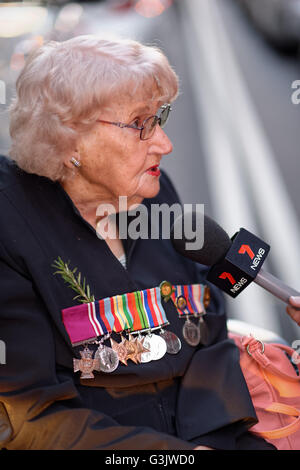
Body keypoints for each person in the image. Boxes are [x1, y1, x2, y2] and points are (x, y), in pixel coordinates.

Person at [0, 35, 278, 450]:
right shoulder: (10, 221)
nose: (165, 144)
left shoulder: (151, 191)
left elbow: (207, 328)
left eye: (160, 117)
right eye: (139, 124)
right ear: (68, 137)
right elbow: (29, 418)